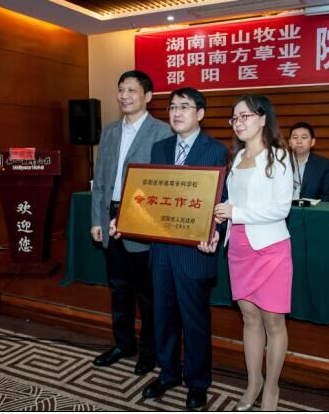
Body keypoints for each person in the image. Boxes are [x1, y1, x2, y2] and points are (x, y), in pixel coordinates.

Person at [112, 87, 227, 410]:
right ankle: (168, 373)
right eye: (173, 107)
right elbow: (150, 194)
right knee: (162, 316)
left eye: (185, 107)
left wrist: (215, 231)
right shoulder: (160, 148)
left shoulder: (217, 150)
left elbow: (224, 200)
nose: (177, 112)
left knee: (194, 320)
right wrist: (125, 218)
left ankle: (198, 382)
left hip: (195, 252)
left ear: (200, 114)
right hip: (161, 250)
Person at [213, 94, 293, 411]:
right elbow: (232, 204)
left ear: (263, 118)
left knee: (273, 321)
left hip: (271, 248)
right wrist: (221, 218)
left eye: (245, 116)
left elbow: (280, 209)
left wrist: (236, 212)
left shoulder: (279, 157)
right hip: (239, 246)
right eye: (235, 117)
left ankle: (271, 387)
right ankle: (253, 382)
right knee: (249, 318)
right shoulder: (234, 159)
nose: (239, 122)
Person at [90, 70, 172, 374]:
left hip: (142, 220)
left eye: (132, 90)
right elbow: (100, 179)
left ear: (148, 96)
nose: (124, 96)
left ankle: (149, 351)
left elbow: (164, 184)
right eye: (121, 89)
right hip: (110, 215)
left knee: (147, 294)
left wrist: (142, 219)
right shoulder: (110, 131)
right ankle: (123, 343)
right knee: (119, 288)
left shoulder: (163, 132)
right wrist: (98, 219)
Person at [288, 122, 329, 201]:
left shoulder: (324, 165)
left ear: (312, 142)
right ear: (289, 142)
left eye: (304, 137)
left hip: (312, 208)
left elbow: (327, 198)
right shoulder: (279, 163)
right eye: (295, 137)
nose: (299, 141)